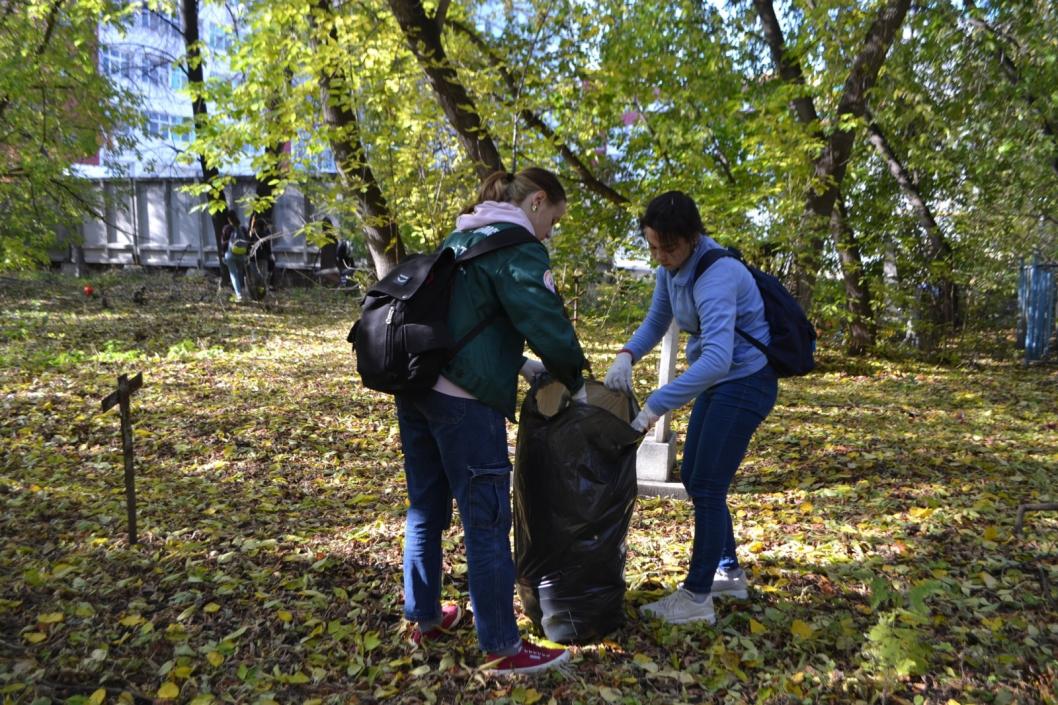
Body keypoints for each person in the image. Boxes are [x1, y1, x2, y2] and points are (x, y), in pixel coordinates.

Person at [395, 167, 587, 673]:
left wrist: (519, 364)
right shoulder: (517, 245)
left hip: (416, 391)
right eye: (554, 220)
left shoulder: (463, 234)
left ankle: (426, 616)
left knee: (426, 509)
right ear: (538, 202)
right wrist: (576, 378)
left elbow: (469, 319)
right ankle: (502, 645)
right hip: (464, 401)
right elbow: (544, 319)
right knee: (486, 522)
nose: (550, 232)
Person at [603, 191, 778, 625]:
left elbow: (718, 358)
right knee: (698, 479)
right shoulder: (672, 268)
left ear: (693, 237)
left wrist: (654, 408)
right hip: (722, 380)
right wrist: (627, 354)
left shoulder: (717, 274)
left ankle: (698, 597)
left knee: (709, 485)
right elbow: (657, 320)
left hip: (746, 382)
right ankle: (728, 572)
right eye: (653, 247)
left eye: (670, 247)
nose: (661, 256)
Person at [220, 213, 247, 302]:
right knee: (240, 272)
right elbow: (247, 241)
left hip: (230, 254)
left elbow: (223, 243)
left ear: (229, 219)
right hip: (241, 254)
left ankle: (239, 294)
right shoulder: (242, 228)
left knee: (233, 274)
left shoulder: (226, 228)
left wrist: (223, 254)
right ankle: (242, 290)